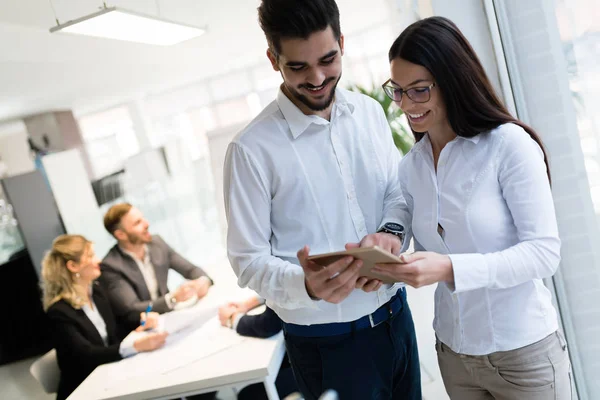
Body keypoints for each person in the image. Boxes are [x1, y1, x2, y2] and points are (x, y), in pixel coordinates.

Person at [223, 1, 421, 399]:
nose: (316, 78)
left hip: (397, 320)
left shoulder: (368, 113)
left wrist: (391, 233)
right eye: (297, 67)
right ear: (272, 59)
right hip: (326, 348)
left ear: (342, 43)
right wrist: (307, 286)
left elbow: (396, 193)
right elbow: (248, 262)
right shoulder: (251, 150)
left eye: (328, 60)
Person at [371, 16, 571, 399]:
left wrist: (449, 268)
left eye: (420, 91)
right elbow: (409, 230)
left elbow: (544, 254)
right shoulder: (411, 166)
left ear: (452, 81)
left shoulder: (508, 145)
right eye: (398, 91)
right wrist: (385, 256)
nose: (406, 105)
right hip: (455, 356)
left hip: (523, 355)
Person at [41, 234, 168, 400]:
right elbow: (85, 355)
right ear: (73, 266)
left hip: (110, 376)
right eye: (91, 256)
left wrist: (141, 321)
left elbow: (118, 326)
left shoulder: (97, 293)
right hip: (85, 389)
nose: (98, 260)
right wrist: (135, 346)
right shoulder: (59, 312)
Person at [99, 203, 213, 330]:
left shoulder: (157, 243)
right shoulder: (110, 266)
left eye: (143, 218)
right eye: (137, 223)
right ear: (121, 235)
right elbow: (132, 309)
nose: (147, 224)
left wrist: (203, 281)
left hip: (170, 321)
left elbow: (191, 270)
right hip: (141, 331)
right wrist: (172, 299)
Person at [218, 296, 298, 400]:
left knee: (249, 395)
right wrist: (252, 302)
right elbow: (280, 290)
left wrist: (232, 318)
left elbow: (268, 325)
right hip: (313, 345)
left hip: (314, 360)